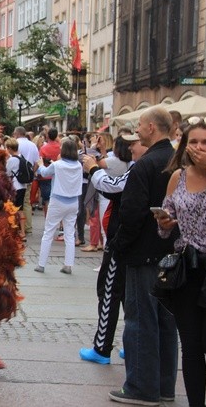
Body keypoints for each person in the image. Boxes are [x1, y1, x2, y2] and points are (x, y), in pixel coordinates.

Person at [108, 105, 178, 405]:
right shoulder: (177, 160)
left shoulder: (146, 164)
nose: (136, 130)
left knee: (140, 321)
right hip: (171, 255)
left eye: (140, 125)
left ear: (152, 127)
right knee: (165, 322)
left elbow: (132, 212)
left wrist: (119, 248)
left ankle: (140, 387)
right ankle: (164, 386)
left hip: (144, 254)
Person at [155, 115, 206, 407]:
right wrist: (165, 223)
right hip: (186, 270)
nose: (199, 147)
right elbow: (165, 223)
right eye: (193, 141)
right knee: (191, 348)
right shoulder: (177, 177)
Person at [79, 135, 146, 366]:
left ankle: (102, 347)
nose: (131, 146)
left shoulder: (143, 165)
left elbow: (114, 186)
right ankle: (131, 343)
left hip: (123, 240)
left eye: (135, 141)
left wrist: (93, 168)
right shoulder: (152, 162)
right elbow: (116, 192)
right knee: (129, 294)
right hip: (135, 240)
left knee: (109, 290)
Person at [33, 138, 83, 274]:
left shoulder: (58, 165)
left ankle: (41, 264)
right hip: (73, 202)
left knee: (48, 232)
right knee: (70, 233)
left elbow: (44, 173)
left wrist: (40, 164)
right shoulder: (79, 165)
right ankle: (68, 265)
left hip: (58, 201)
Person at [12, 126, 39, 234]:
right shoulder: (32, 145)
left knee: (16, 202)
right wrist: (31, 173)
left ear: (17, 134)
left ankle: (17, 225)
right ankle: (27, 226)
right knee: (27, 202)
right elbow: (37, 162)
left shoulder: (15, 143)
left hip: (16, 177)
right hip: (27, 177)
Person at [4, 138, 27, 240]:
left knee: (13, 209)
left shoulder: (12, 160)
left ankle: (16, 231)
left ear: (9, 148)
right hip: (23, 186)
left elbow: (7, 173)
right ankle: (22, 231)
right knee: (21, 209)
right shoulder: (22, 157)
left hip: (15, 186)